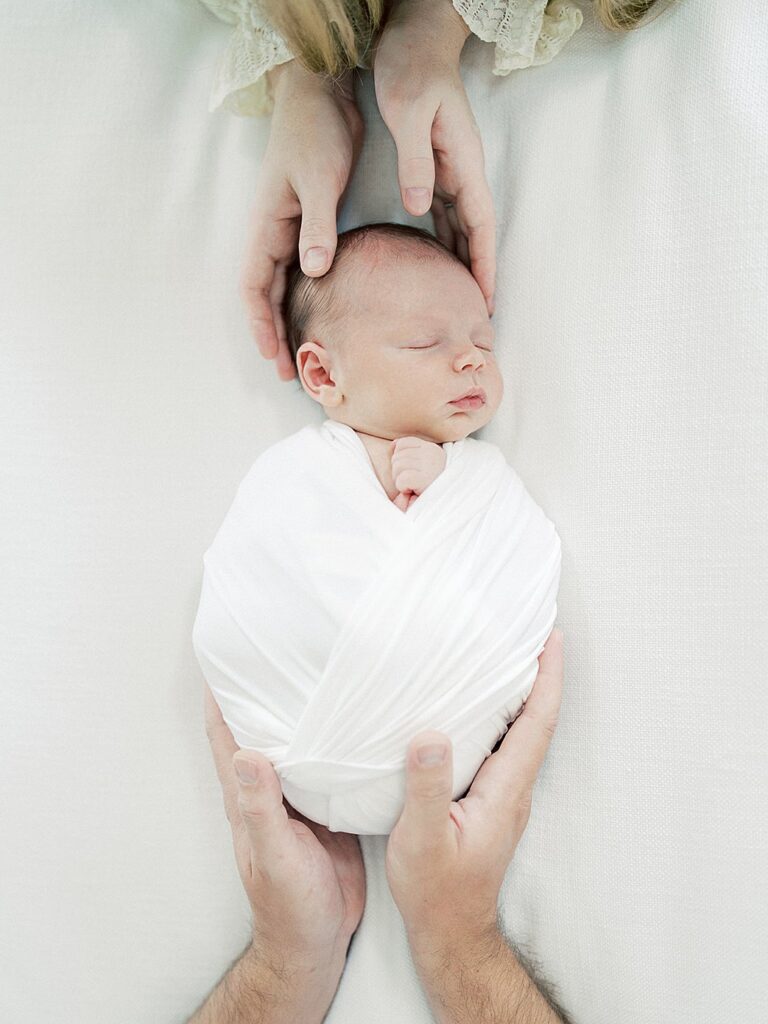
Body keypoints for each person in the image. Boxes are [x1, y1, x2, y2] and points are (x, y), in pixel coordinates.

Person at [191, 222, 562, 838]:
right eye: (425, 344)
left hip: (446, 724)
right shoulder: (295, 474)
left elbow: (508, 551)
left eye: (484, 343)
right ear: (323, 375)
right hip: (294, 729)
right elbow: (263, 562)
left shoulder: (475, 476)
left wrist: (443, 490)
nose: (471, 358)